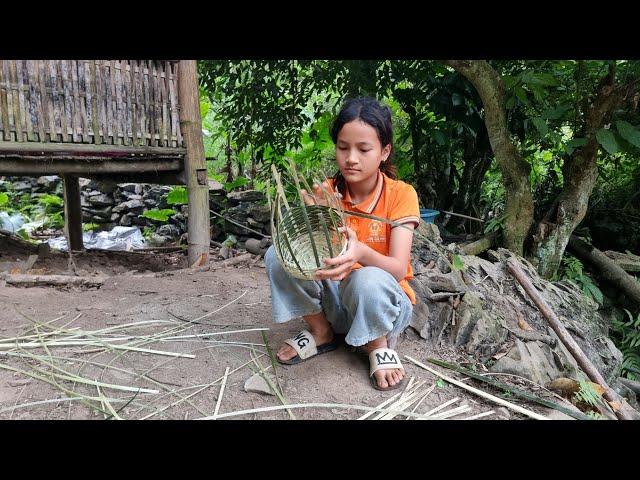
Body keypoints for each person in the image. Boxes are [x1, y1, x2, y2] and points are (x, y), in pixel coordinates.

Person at [264, 96, 420, 391]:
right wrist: (316, 222)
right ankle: (321, 331)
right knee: (277, 256)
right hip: (336, 303)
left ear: (384, 152)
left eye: (364, 149)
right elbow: (312, 256)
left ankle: (377, 346)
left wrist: (360, 251)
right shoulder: (328, 193)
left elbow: (398, 269)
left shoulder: (401, 194)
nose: (351, 158)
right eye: (343, 147)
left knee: (367, 278)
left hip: (382, 305)